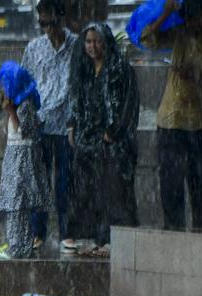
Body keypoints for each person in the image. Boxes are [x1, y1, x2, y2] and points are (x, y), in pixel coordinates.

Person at [143, 0, 202, 231]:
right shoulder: (179, 34)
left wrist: (200, 75)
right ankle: (173, 234)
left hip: (199, 122)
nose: (191, 25)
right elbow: (147, 40)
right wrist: (165, 14)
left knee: (199, 186)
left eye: (194, 20)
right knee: (170, 186)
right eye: (187, 20)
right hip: (170, 120)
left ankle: (200, 234)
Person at [65, 22, 140, 257]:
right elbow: (76, 101)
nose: (92, 46)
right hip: (88, 142)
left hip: (113, 144)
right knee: (89, 190)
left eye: (97, 41)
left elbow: (128, 105)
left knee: (114, 191)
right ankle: (94, 238)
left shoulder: (120, 69)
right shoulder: (83, 69)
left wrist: (113, 131)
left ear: (106, 42)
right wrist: (72, 127)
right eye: (88, 41)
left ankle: (114, 240)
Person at [22, 0, 78, 251]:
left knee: (66, 180)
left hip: (67, 124)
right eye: (42, 23)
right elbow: (25, 86)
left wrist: (75, 121)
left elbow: (80, 86)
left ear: (61, 18)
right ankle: (38, 231)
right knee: (39, 180)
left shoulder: (76, 46)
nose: (47, 29)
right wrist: (25, 119)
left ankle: (68, 231)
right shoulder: (34, 48)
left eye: (51, 22)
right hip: (40, 123)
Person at [0, 62, 52, 260]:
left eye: (5, 84)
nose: (2, 88)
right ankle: (15, 244)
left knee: (20, 204)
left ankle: (21, 246)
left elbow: (25, 130)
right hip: (14, 157)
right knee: (14, 206)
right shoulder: (18, 104)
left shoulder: (25, 105)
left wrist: (12, 112)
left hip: (23, 160)